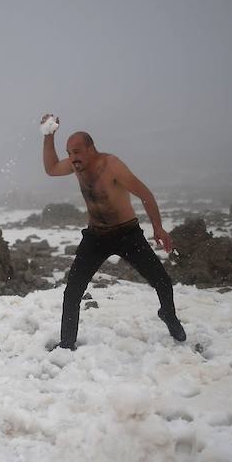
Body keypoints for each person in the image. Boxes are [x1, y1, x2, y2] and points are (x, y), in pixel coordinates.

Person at [41, 113, 186, 348]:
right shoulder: (76, 166)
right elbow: (51, 169)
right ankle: (67, 344)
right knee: (72, 292)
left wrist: (157, 227)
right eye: (69, 153)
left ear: (90, 148)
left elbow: (145, 195)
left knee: (162, 281)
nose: (72, 158)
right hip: (96, 237)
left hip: (127, 234)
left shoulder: (111, 165)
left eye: (77, 151)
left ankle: (169, 315)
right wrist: (49, 137)